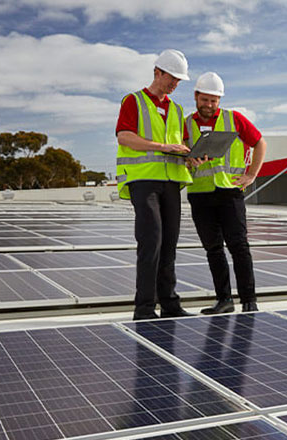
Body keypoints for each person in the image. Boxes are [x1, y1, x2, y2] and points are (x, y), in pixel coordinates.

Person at [115, 49, 195, 320]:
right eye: (171, 78)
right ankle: (145, 308)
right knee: (152, 241)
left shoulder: (177, 109)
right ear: (157, 72)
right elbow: (124, 137)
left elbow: (180, 145)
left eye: (179, 80)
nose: (175, 84)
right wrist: (162, 147)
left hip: (172, 182)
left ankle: (170, 303)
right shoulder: (133, 101)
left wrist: (190, 156)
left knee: (170, 243)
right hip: (144, 181)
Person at [185, 72, 267, 314]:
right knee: (213, 249)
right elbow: (182, 155)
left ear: (219, 100)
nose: (209, 105)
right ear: (196, 97)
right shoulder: (186, 124)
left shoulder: (235, 119)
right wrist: (189, 162)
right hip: (200, 194)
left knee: (239, 246)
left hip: (230, 192)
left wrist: (251, 175)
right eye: (205, 100)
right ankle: (224, 300)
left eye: (214, 100)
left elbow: (260, 143)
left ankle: (249, 300)